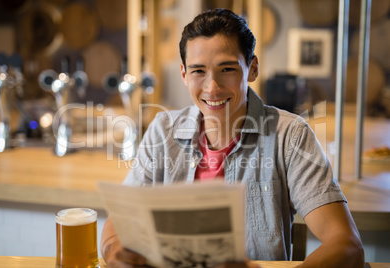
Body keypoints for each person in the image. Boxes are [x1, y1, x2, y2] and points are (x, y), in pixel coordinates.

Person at [101, 8, 364, 268]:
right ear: (184, 74)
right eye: (198, 71)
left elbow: (347, 245)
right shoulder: (162, 130)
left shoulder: (290, 135)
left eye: (226, 69)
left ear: (252, 69)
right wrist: (115, 252)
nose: (212, 87)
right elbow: (118, 224)